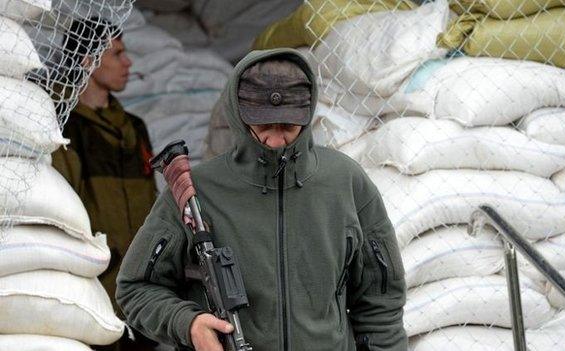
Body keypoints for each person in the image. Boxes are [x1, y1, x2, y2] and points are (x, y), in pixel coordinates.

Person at [116, 48, 406, 351]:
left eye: (288, 126)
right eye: (264, 126)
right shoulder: (195, 192)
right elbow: (135, 288)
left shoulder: (346, 183)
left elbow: (381, 305)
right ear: (239, 117)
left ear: (307, 119)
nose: (276, 140)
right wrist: (188, 324)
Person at [52, 18, 158, 351]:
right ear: (87, 60)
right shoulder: (64, 126)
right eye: (117, 54)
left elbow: (152, 200)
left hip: (142, 290)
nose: (127, 63)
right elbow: (61, 208)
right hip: (97, 287)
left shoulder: (134, 127)